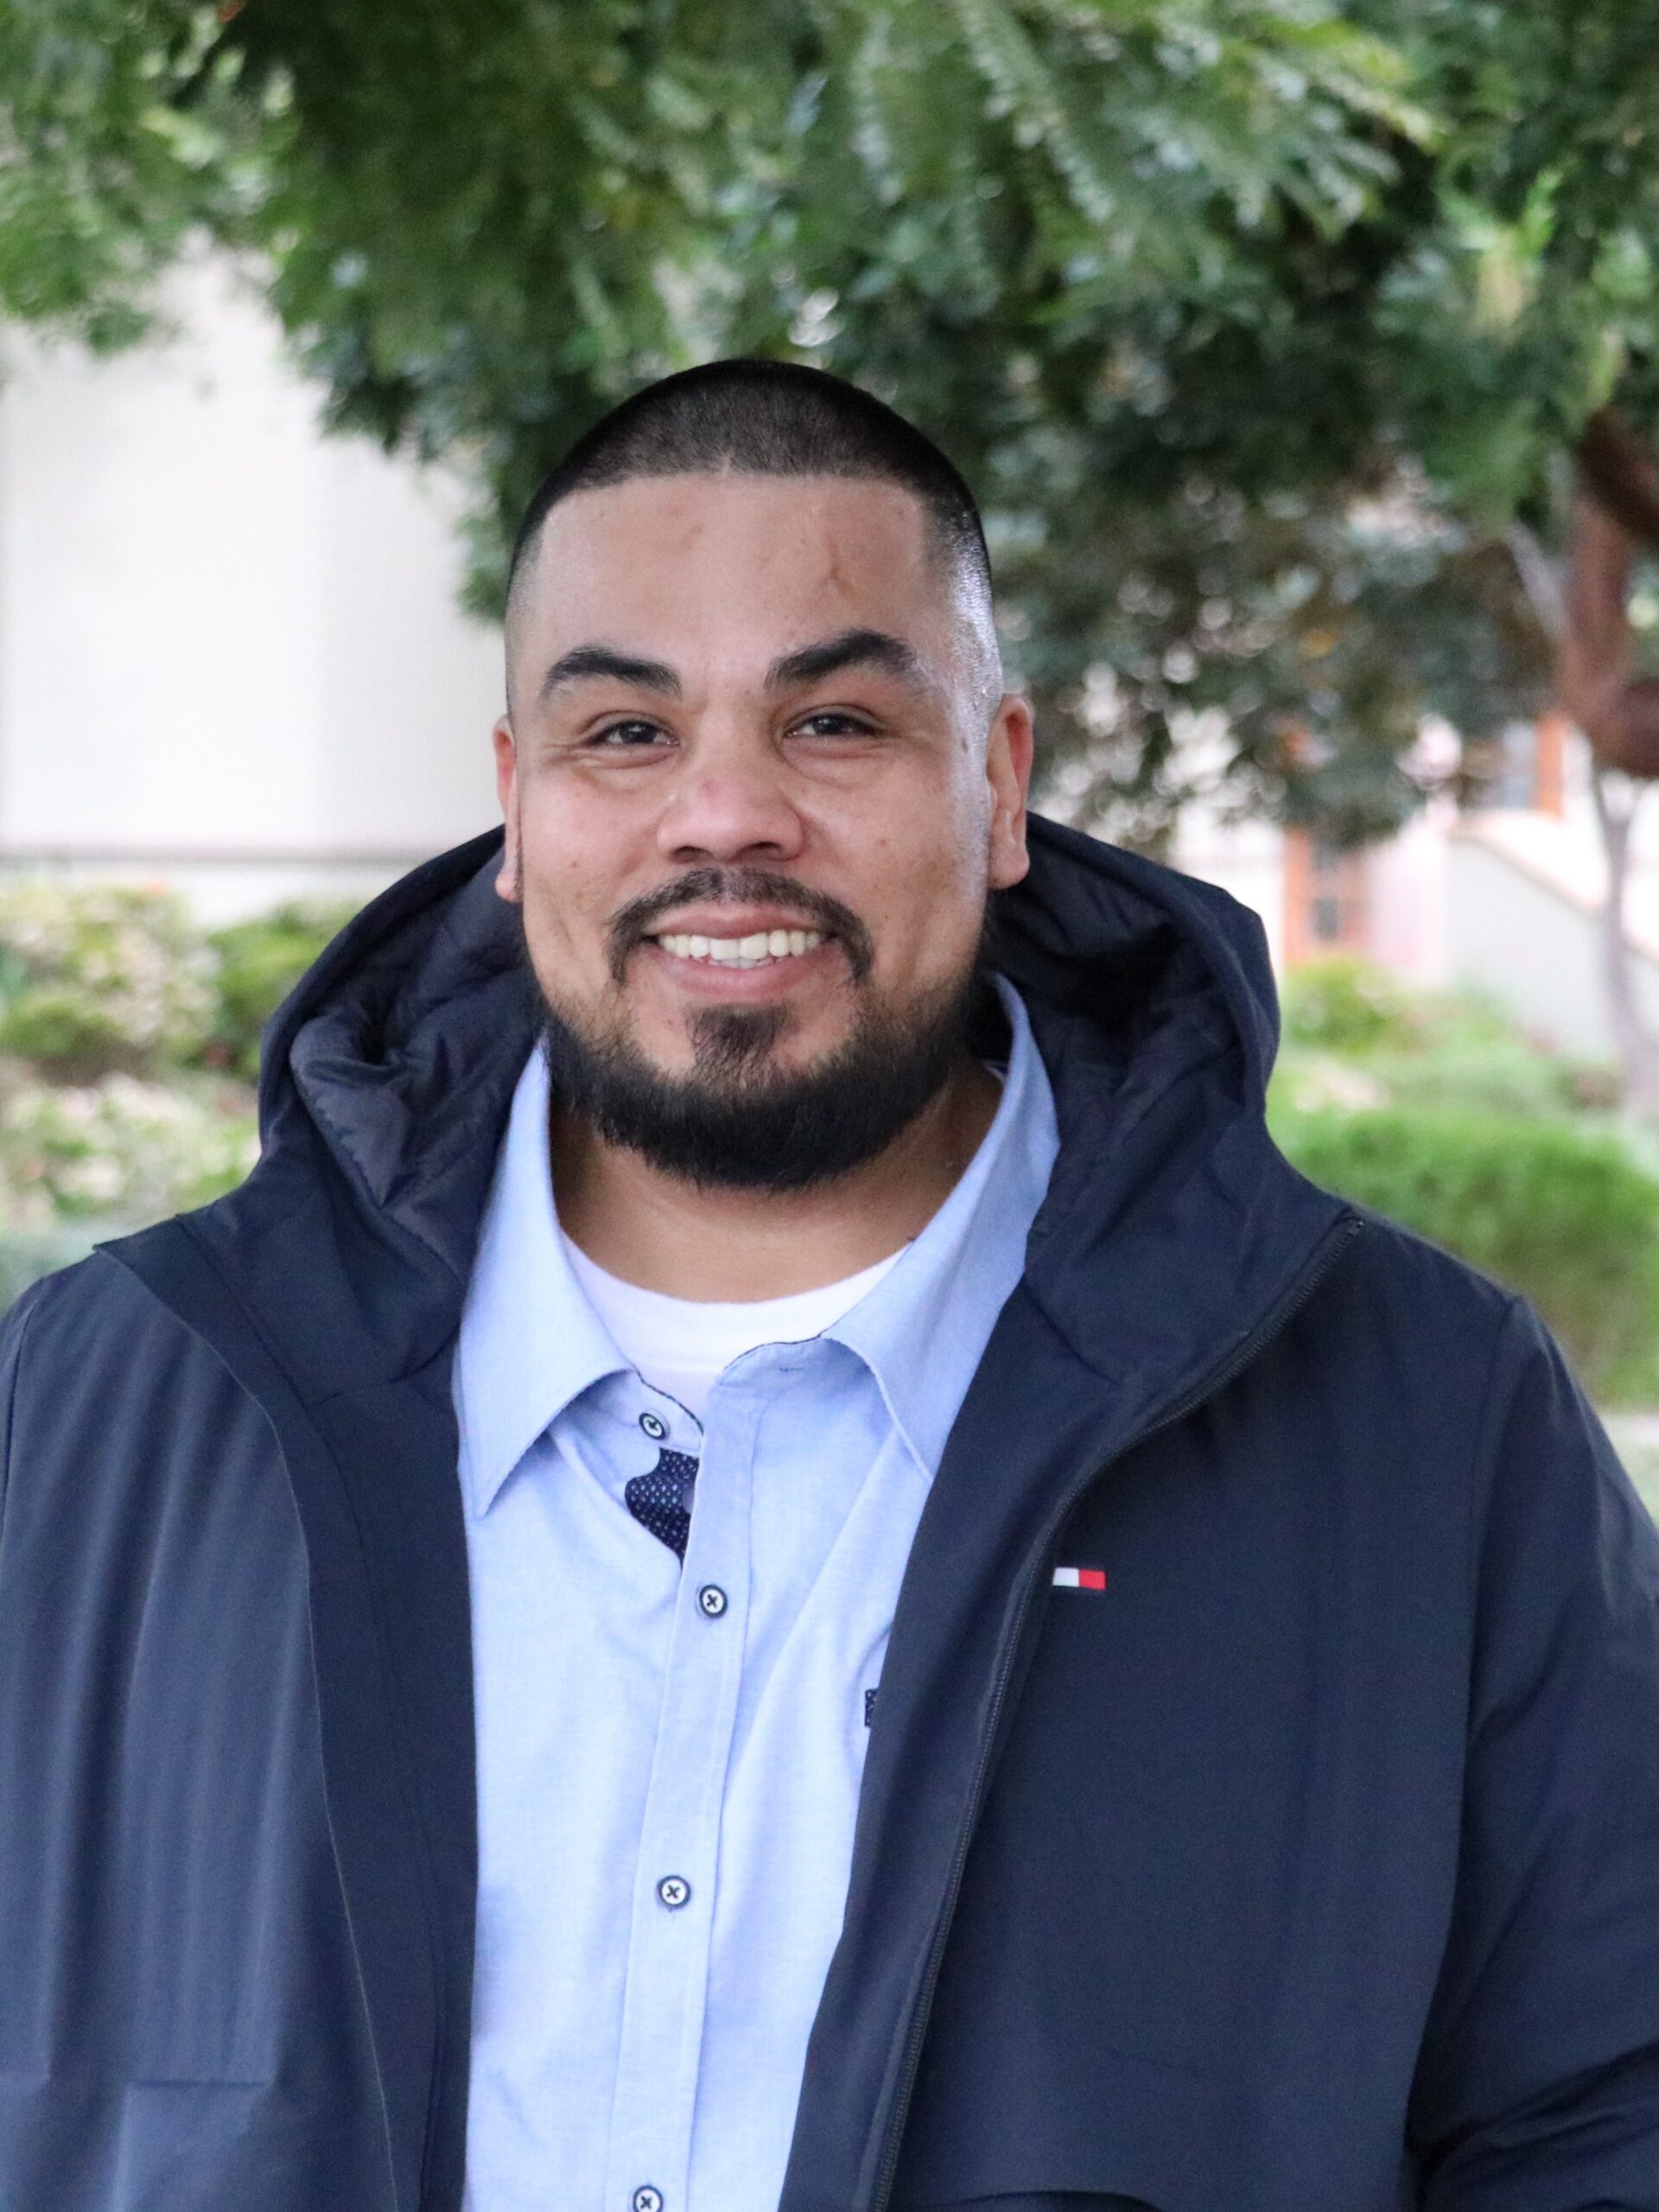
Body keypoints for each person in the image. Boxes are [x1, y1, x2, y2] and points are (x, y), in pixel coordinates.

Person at [0, 359, 1656, 2212]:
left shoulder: (1426, 1424)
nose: (726, 816)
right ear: (517, 804)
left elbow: (1606, 2115)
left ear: (999, 784)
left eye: (838, 721)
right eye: (625, 732)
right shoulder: (92, 1413)